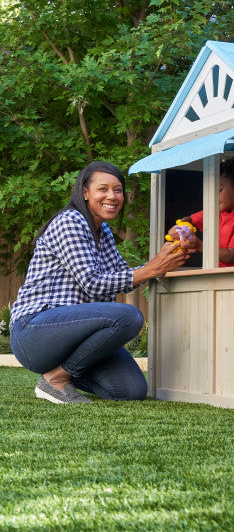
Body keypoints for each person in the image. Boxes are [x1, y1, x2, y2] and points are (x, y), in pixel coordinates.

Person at [9, 161, 190, 404]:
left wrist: (165, 259)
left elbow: (121, 276)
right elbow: (93, 283)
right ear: (85, 193)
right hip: (33, 331)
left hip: (74, 338)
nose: (112, 196)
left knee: (130, 390)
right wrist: (151, 268)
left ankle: (61, 372)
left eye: (118, 190)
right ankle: (56, 380)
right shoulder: (71, 221)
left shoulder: (102, 231)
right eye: (103, 189)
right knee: (130, 316)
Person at [168, 156, 234, 268]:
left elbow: (231, 256)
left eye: (219, 190)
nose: (214, 196)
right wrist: (178, 228)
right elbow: (189, 219)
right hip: (215, 273)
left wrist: (199, 245)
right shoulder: (215, 211)